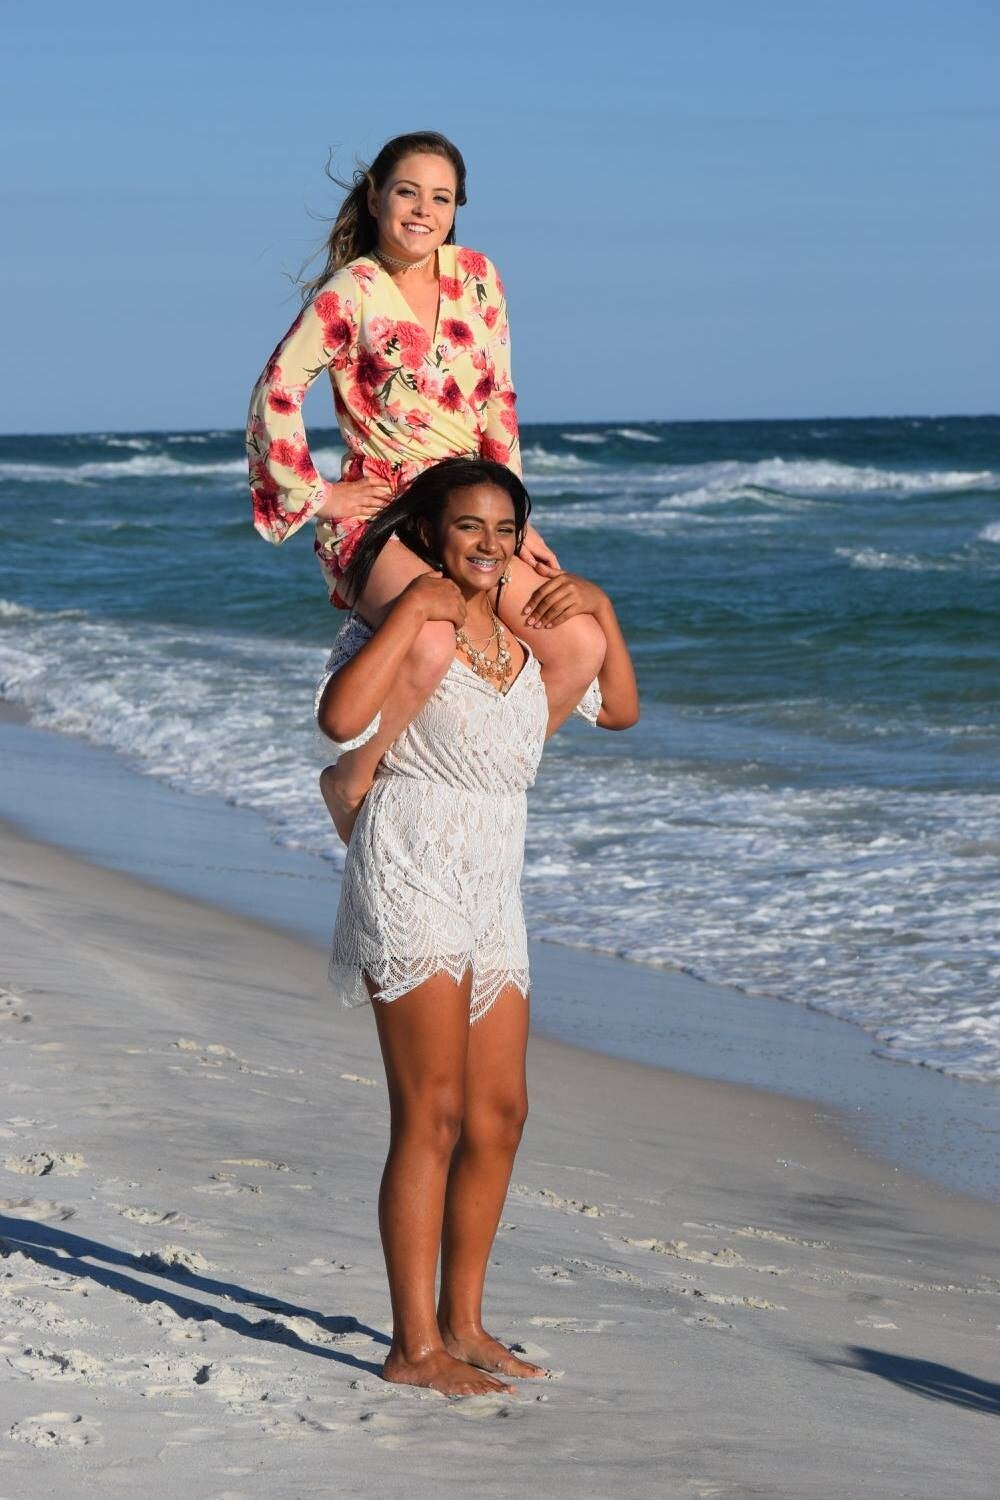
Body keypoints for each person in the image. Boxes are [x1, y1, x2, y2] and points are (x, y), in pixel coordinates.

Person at [314, 457, 639, 1398]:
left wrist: (603, 609)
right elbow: (340, 718)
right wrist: (411, 610)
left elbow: (620, 712)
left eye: (506, 529)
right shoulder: (409, 623)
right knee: (435, 1112)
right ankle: (412, 1347)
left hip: (493, 883)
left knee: (500, 1115)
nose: (491, 545)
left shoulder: (525, 637)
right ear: (430, 535)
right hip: (410, 863)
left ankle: (464, 1323)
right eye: (469, 527)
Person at [247, 130, 606, 840]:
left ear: (456, 208)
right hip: (381, 514)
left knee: (577, 645)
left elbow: (498, 401)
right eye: (407, 192)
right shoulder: (349, 292)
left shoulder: (478, 276)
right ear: (375, 198)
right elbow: (276, 389)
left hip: (469, 510)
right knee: (433, 635)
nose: (422, 209)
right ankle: (353, 778)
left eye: (440, 198)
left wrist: (516, 522)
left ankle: (478, 779)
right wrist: (317, 495)